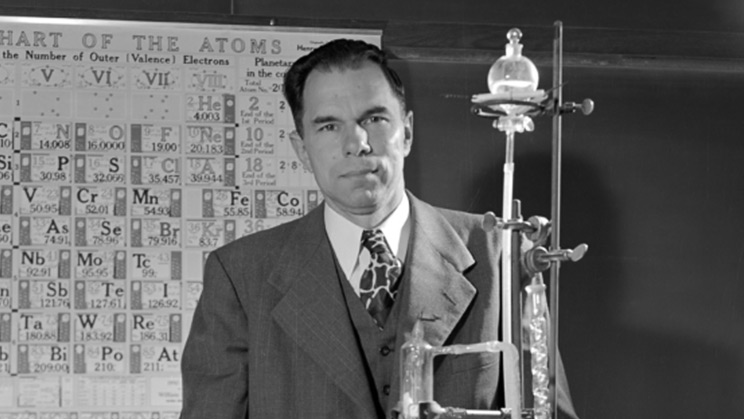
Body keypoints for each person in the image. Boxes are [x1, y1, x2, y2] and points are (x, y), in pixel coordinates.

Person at [180, 39, 578, 419]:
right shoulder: (240, 277)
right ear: (302, 150)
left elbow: (548, 411)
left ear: (406, 132)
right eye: (328, 126)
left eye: (373, 119)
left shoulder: (499, 254)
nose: (357, 144)